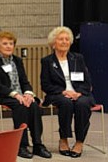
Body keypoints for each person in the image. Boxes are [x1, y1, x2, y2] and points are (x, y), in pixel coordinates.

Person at [0, 31, 51, 159]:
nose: (9, 46)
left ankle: (38, 144)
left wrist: (28, 93)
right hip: (1, 95)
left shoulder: (17, 60)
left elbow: (24, 81)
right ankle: (21, 145)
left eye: (11, 43)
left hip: (19, 94)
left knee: (34, 105)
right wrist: (15, 94)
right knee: (20, 106)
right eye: (5, 44)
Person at [40, 27, 93, 158]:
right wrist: (64, 92)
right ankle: (63, 139)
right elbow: (45, 85)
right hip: (59, 94)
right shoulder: (47, 61)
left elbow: (87, 81)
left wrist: (78, 93)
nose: (64, 42)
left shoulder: (78, 58)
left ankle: (79, 141)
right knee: (66, 103)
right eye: (61, 39)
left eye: (67, 39)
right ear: (54, 43)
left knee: (82, 104)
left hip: (79, 93)